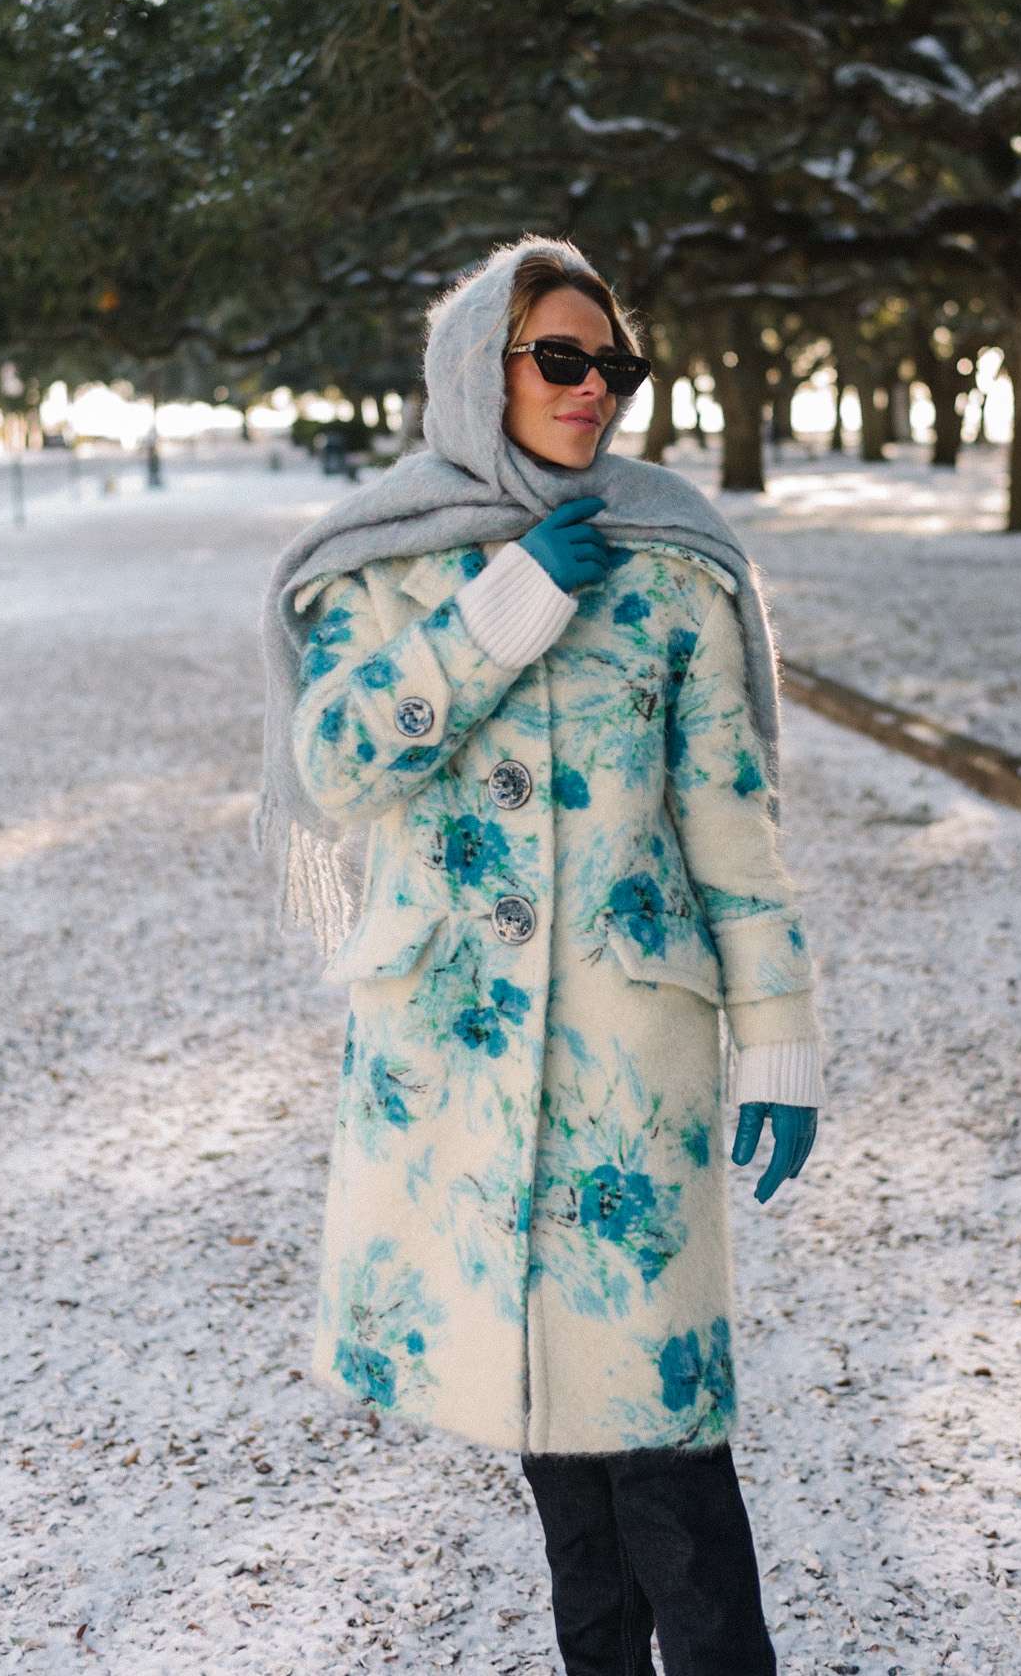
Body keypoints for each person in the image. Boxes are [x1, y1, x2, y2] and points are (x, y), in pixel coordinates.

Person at [257, 237, 826, 1676]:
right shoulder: (380, 569)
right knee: (554, 1455)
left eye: (613, 367)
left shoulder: (676, 564)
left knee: (670, 1447)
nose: (593, 390)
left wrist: (779, 1034)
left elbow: (732, 834)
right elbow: (330, 771)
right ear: (477, 369)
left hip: (627, 1071)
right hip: (452, 1068)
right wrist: (494, 615)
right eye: (558, 358)